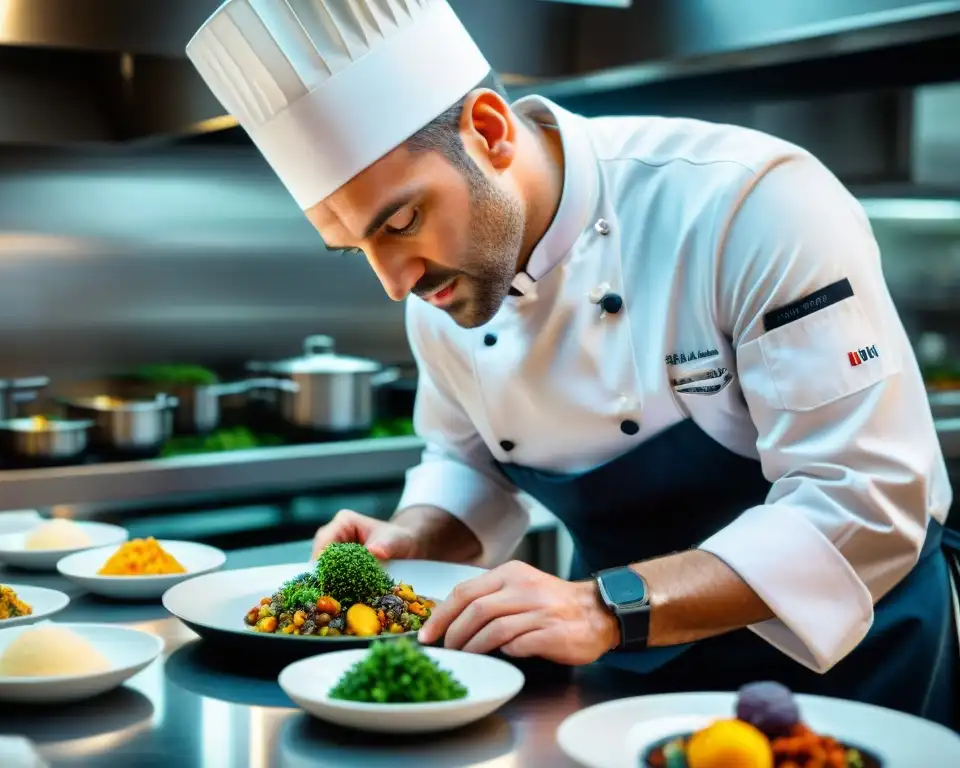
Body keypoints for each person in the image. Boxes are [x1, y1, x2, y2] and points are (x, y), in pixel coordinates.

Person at [187, 0, 958, 726]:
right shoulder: (445, 287)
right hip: (625, 674)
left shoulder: (746, 204)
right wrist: (414, 538)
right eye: (358, 247)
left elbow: (864, 501)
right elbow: (470, 465)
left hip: (848, 673)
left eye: (401, 221)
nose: (395, 283)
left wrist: (603, 607)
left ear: (489, 130)